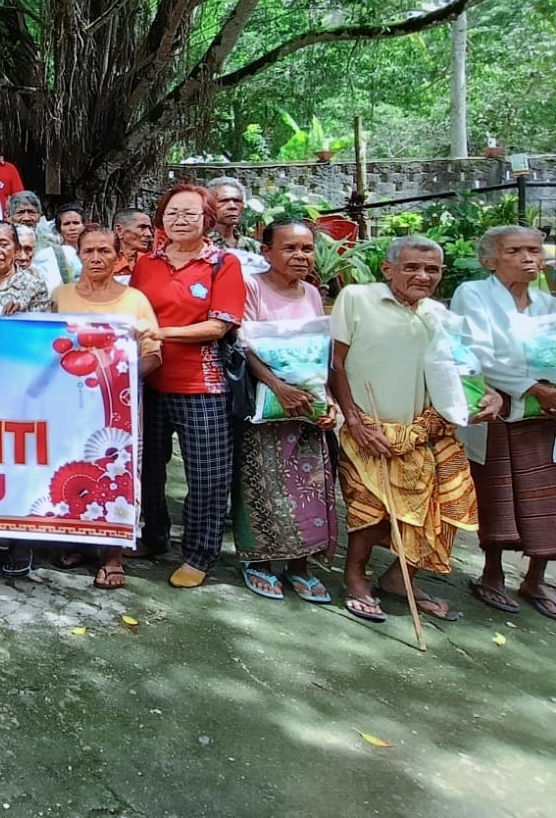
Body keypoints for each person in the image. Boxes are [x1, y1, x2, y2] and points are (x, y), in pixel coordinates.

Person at [329, 235, 496, 623]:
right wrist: (353, 420)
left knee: (445, 504)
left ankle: (398, 578)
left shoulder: (439, 315)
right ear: (388, 269)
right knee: (371, 508)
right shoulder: (356, 298)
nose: (423, 276)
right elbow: (336, 363)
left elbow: (460, 369)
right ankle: (355, 577)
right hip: (367, 427)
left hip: (424, 431)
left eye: (432, 269)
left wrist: (488, 396)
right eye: (412, 267)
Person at [131, 184, 247, 590]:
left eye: (189, 213)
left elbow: (219, 326)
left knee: (207, 475)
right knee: (148, 468)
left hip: (202, 386)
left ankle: (199, 553)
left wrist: (161, 332)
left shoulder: (223, 263)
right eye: (172, 213)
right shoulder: (146, 264)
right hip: (149, 381)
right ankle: (154, 536)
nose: (180, 220)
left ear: (206, 219)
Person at [452, 226, 556, 619]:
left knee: (547, 495)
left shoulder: (547, 302)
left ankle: (535, 578)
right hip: (498, 406)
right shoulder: (473, 294)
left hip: (545, 413)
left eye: (534, 250)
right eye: (514, 251)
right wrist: (534, 387)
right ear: (489, 260)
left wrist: (549, 391)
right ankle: (492, 575)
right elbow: (477, 354)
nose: (528, 258)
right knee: (498, 492)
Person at [235, 220, 341, 604]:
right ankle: (260, 561)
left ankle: (300, 565)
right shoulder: (251, 287)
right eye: (289, 248)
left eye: (306, 249)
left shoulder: (311, 292)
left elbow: (319, 352)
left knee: (311, 487)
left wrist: (328, 400)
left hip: (308, 407)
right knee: (262, 484)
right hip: (267, 405)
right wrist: (279, 387)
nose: (300, 256)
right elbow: (245, 346)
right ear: (267, 251)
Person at [52, 228, 162, 589]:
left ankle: (112, 556)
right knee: (70, 466)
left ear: (119, 257)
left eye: (104, 251)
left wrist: (121, 380)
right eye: (89, 251)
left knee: (118, 473)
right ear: (78, 255)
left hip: (119, 407)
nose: (96, 258)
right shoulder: (61, 296)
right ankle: (77, 542)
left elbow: (154, 355)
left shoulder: (135, 300)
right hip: (70, 403)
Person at [112, 208, 154, 276]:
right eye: (142, 227)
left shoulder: (152, 263)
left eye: (149, 229)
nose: (149, 234)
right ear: (119, 230)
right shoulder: (104, 263)